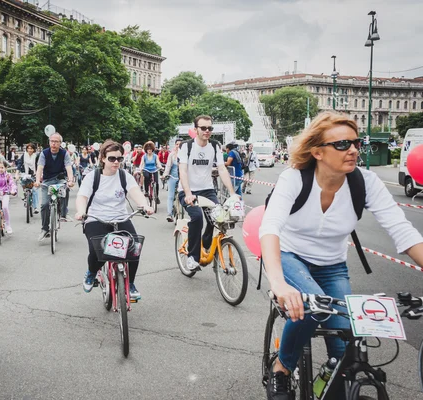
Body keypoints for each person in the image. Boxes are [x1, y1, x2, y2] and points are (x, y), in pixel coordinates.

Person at [260, 112, 423, 400]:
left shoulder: (365, 183)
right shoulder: (295, 179)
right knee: (312, 307)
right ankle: (281, 368)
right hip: (290, 256)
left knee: (346, 350)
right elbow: (270, 227)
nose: (353, 150)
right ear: (318, 152)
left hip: (333, 266)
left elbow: (404, 232)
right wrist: (278, 283)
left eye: (356, 143)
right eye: (342, 144)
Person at [75, 140, 154, 301]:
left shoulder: (125, 176)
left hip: (120, 218)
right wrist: (81, 211)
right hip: (96, 219)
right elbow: (82, 196)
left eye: (119, 159)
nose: (116, 162)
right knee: (97, 252)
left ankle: (130, 283)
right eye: (112, 158)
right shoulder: (92, 177)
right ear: (103, 158)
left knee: (134, 248)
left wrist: (144, 205)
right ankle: (91, 273)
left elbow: (135, 192)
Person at [178, 115, 237, 272]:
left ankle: (205, 241)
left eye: (210, 128)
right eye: (203, 128)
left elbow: (222, 169)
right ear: (196, 129)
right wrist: (188, 193)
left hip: (207, 189)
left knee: (219, 216)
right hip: (187, 191)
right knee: (197, 217)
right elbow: (182, 171)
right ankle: (193, 257)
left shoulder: (215, 146)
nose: (207, 131)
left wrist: (233, 193)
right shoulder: (186, 146)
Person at [34, 133, 75, 241]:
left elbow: (68, 167)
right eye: (52, 141)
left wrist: (70, 180)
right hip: (47, 181)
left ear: (60, 143)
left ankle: (63, 214)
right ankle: (44, 229)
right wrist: (38, 180)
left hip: (59, 179)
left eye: (56, 141)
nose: (54, 144)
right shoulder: (44, 153)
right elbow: (40, 168)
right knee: (44, 204)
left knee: (65, 188)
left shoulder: (64, 153)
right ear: (49, 142)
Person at [0, 160, 17, 234]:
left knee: (5, 207)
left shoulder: (8, 175)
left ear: (5, 168)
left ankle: (8, 225)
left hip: (5, 193)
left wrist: (13, 190)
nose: (0, 169)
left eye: (2, 167)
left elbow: (12, 184)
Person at [16, 143, 40, 214]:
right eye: (28, 148)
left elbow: (39, 165)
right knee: (22, 184)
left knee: (35, 190)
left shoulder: (36, 156)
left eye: (31, 148)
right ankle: (24, 197)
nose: (30, 150)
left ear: (34, 149)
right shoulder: (24, 155)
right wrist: (17, 174)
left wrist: (40, 175)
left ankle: (35, 207)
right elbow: (19, 164)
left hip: (34, 174)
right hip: (25, 173)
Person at [163, 139, 182, 222]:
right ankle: (169, 214)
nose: (178, 146)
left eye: (180, 144)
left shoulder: (186, 155)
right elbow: (168, 166)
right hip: (172, 177)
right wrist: (165, 175)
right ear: (175, 145)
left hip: (182, 178)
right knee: (171, 196)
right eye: (177, 144)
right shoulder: (172, 155)